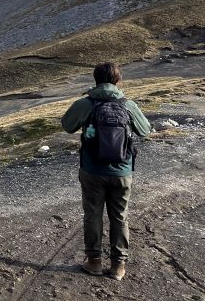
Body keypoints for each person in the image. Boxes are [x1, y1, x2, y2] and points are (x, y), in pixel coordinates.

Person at [61, 62, 151, 281]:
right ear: (118, 81)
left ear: (96, 80)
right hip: (122, 172)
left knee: (92, 214)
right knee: (120, 217)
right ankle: (118, 266)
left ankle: (94, 263)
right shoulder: (128, 104)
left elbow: (67, 125)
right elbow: (145, 130)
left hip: (92, 170)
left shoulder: (85, 103)